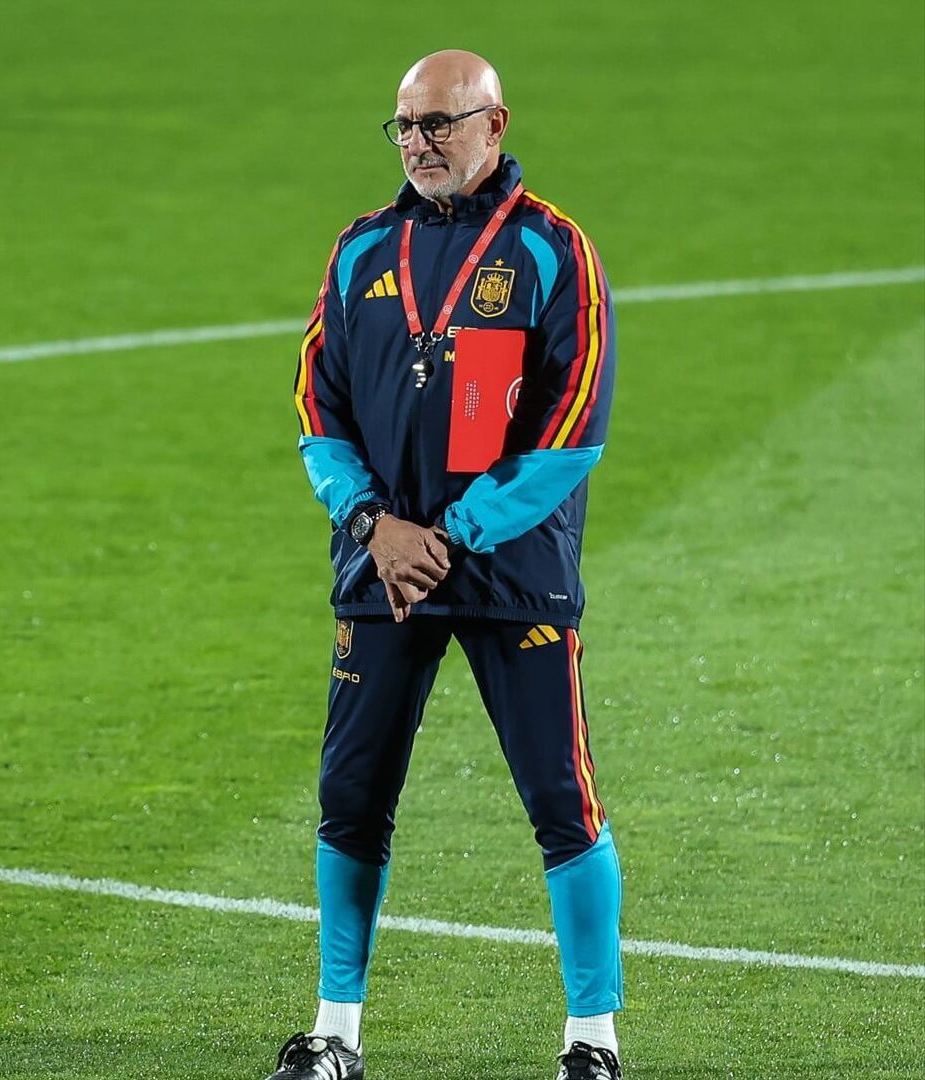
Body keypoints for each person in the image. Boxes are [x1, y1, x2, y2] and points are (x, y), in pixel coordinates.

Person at [266, 50, 624, 1080]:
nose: (421, 143)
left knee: (563, 799)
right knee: (352, 797)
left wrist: (453, 536)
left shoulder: (556, 252)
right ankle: (337, 1033)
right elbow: (316, 408)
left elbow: (573, 429)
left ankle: (591, 1044)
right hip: (382, 571)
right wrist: (373, 522)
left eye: (440, 124)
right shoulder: (359, 250)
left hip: (512, 574)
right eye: (406, 126)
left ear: (495, 122)